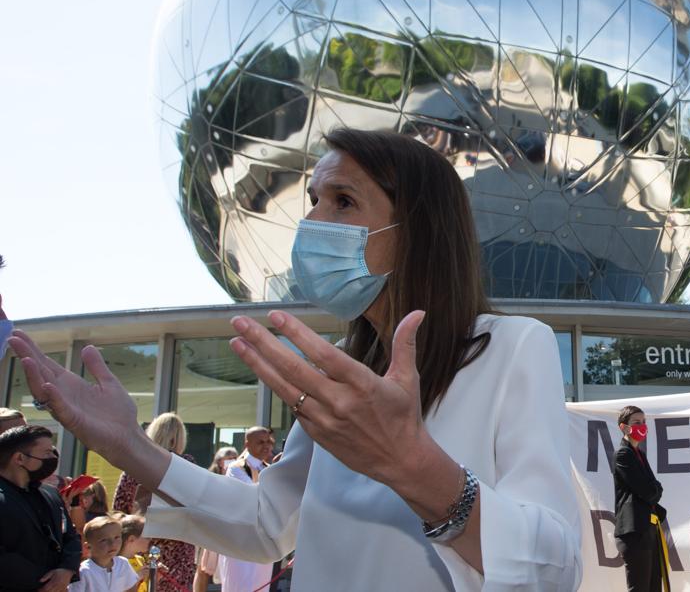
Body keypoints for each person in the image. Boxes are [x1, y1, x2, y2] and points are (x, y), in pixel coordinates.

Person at [11, 127, 582, 590]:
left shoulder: (511, 347)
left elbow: (555, 565)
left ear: (419, 230)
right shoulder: (338, 372)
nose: (312, 222)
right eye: (314, 200)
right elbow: (265, 524)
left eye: (343, 201)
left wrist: (417, 470)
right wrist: (127, 445)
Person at [112, 413, 196, 592]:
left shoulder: (133, 465)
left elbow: (119, 508)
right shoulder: (187, 466)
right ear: (178, 439)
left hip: (140, 544)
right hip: (179, 546)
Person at [0, 424, 82, 592]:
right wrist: (45, 581)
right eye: (46, 453)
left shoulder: (50, 494)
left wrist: (67, 570)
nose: (52, 458)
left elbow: (70, 536)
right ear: (20, 458)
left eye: (53, 452)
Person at [612, 406, 667, 592]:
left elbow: (655, 488)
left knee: (653, 587)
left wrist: (655, 489)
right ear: (624, 427)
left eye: (644, 422)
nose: (642, 426)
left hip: (647, 530)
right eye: (636, 422)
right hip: (634, 531)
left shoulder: (639, 454)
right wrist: (655, 489)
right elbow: (649, 491)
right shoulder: (623, 454)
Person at [219, 427, 275, 592]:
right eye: (260, 442)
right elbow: (255, 494)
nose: (266, 446)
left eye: (268, 442)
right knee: (239, 585)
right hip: (240, 539)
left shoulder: (268, 468)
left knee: (260, 585)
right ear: (247, 444)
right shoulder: (237, 468)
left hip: (262, 538)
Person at [193, 447, 237, 592]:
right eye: (229, 457)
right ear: (219, 461)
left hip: (228, 531)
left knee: (226, 569)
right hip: (207, 529)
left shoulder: (239, 476)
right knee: (203, 569)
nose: (232, 460)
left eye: (235, 457)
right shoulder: (209, 478)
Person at [68, 516, 140, 592]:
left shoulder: (122, 564)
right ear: (88, 547)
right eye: (104, 540)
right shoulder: (83, 571)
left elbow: (131, 589)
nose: (112, 544)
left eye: (116, 537)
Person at [118, 514, 150, 592]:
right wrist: (138, 576)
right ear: (131, 539)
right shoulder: (117, 563)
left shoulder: (140, 559)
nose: (150, 539)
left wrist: (155, 577)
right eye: (147, 537)